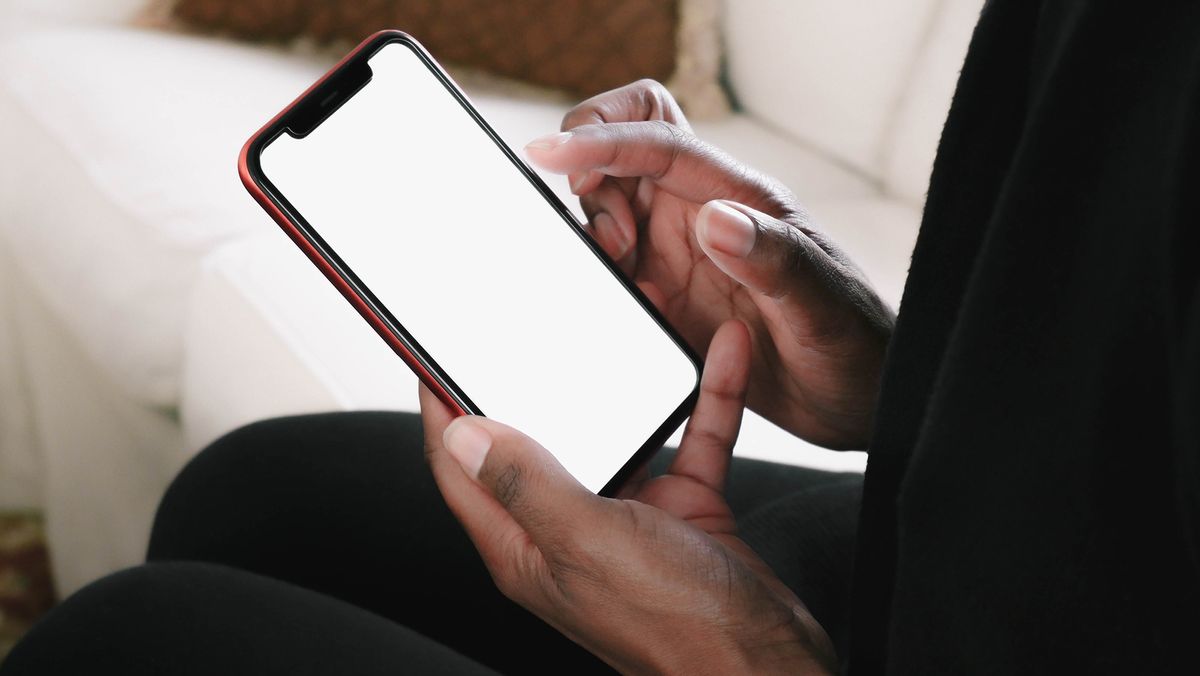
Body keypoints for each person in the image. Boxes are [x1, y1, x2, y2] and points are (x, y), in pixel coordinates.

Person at [4, 3, 1198, 673]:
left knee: (117, 648)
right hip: (983, 559)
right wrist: (894, 379)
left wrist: (753, 663)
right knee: (254, 491)